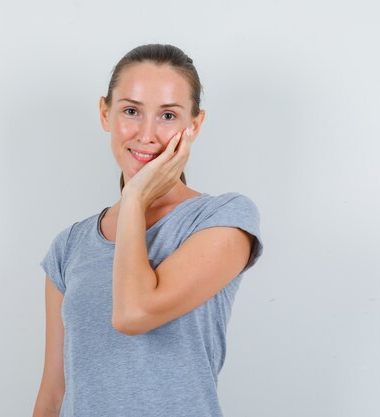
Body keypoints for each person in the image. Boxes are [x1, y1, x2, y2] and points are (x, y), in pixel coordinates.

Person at [32, 44, 264, 417]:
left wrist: (135, 200)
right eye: (130, 111)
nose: (147, 134)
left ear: (195, 125)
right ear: (105, 113)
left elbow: (133, 314)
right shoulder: (69, 246)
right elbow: (53, 392)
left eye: (168, 115)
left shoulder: (221, 218)